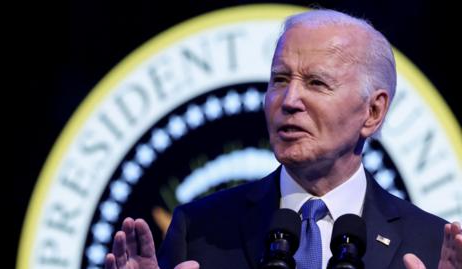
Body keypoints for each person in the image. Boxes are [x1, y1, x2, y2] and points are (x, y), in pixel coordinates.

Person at [104, 9, 462, 269]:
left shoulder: (428, 244)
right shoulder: (198, 231)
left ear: (373, 112)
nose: (289, 101)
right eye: (279, 80)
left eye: (317, 83)